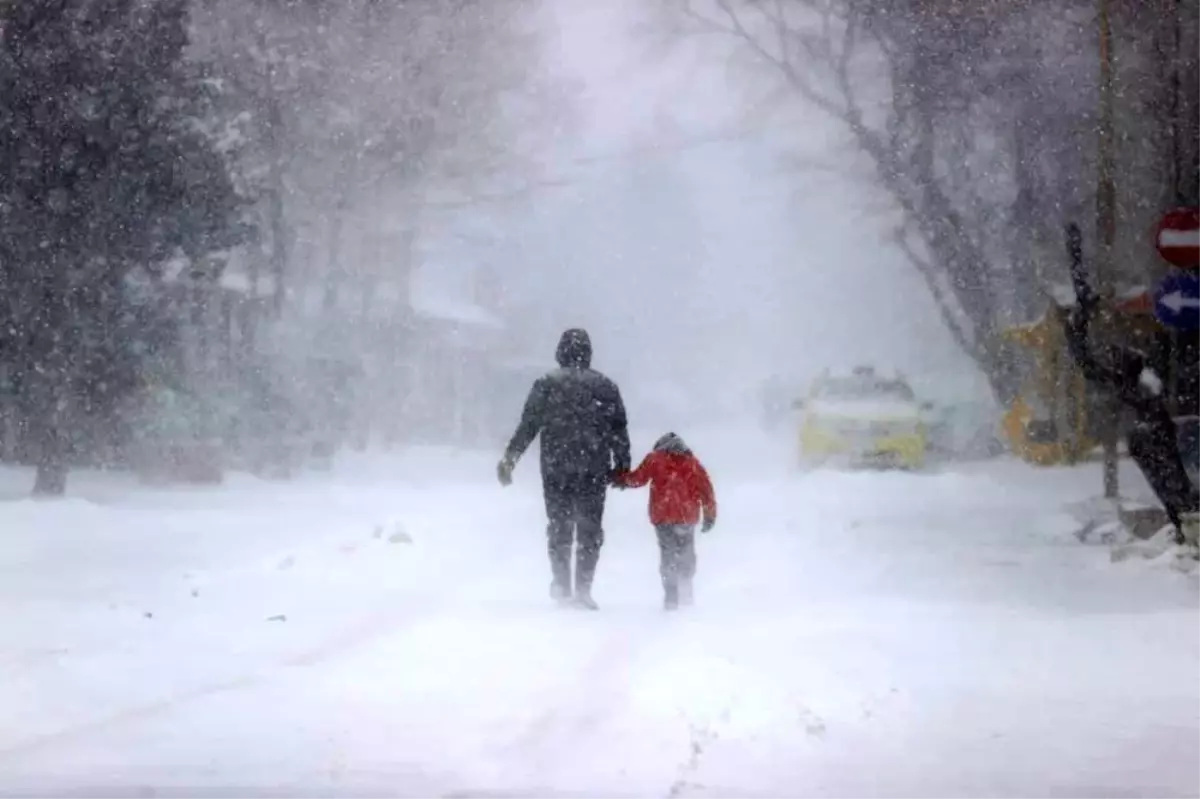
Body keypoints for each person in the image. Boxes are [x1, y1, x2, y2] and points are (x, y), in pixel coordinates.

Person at [497, 328, 631, 609]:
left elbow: (528, 426)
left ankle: (561, 584)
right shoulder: (605, 387)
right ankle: (583, 587)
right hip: (593, 468)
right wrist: (622, 466)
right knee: (590, 530)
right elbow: (618, 430)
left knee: (559, 526)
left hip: (556, 467)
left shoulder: (546, 384)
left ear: (560, 352)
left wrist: (510, 458)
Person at [1063, 274, 1196, 545]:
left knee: (1180, 499)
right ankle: (1185, 528)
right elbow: (1091, 366)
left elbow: (1091, 366)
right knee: (1180, 500)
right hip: (1157, 442)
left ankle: (1185, 527)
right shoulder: (1139, 376)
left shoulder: (1153, 366)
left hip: (1158, 442)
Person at [618, 432, 717, 610]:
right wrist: (709, 515)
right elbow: (706, 491)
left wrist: (621, 479)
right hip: (686, 516)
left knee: (668, 554)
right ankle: (686, 588)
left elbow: (638, 479)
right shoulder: (693, 464)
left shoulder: (655, 459)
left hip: (662, 517)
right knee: (686, 551)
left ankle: (671, 593)